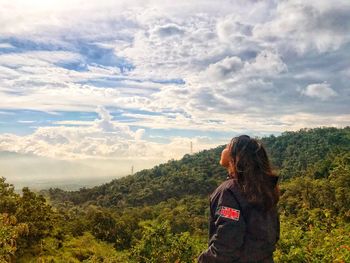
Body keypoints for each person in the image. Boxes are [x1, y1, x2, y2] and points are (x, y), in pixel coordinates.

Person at [198, 135, 280, 263]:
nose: (223, 149)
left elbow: (226, 245)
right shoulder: (265, 189)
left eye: (226, 146)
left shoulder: (229, 192)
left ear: (235, 157)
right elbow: (273, 235)